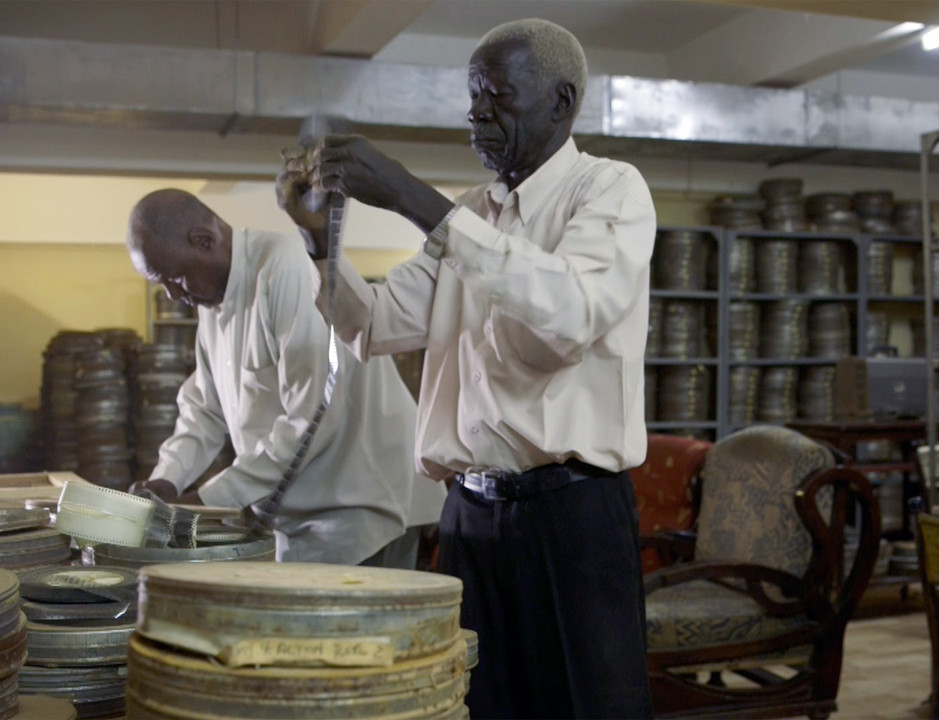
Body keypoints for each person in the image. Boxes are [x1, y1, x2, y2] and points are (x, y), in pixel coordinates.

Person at [277, 18, 655, 719]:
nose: (477, 113)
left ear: (561, 102)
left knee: (591, 705)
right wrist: (318, 239)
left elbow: (568, 312)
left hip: (570, 515)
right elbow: (374, 326)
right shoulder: (474, 214)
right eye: (473, 96)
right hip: (473, 517)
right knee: (478, 703)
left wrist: (414, 199)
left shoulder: (609, 192)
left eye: (499, 96)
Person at [124, 189, 446, 568]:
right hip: (303, 515)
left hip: (365, 507)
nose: (173, 295)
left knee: (362, 626)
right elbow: (203, 410)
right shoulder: (213, 299)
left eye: (174, 278)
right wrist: (168, 481)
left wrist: (209, 501)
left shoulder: (287, 268)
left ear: (205, 240)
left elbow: (314, 414)